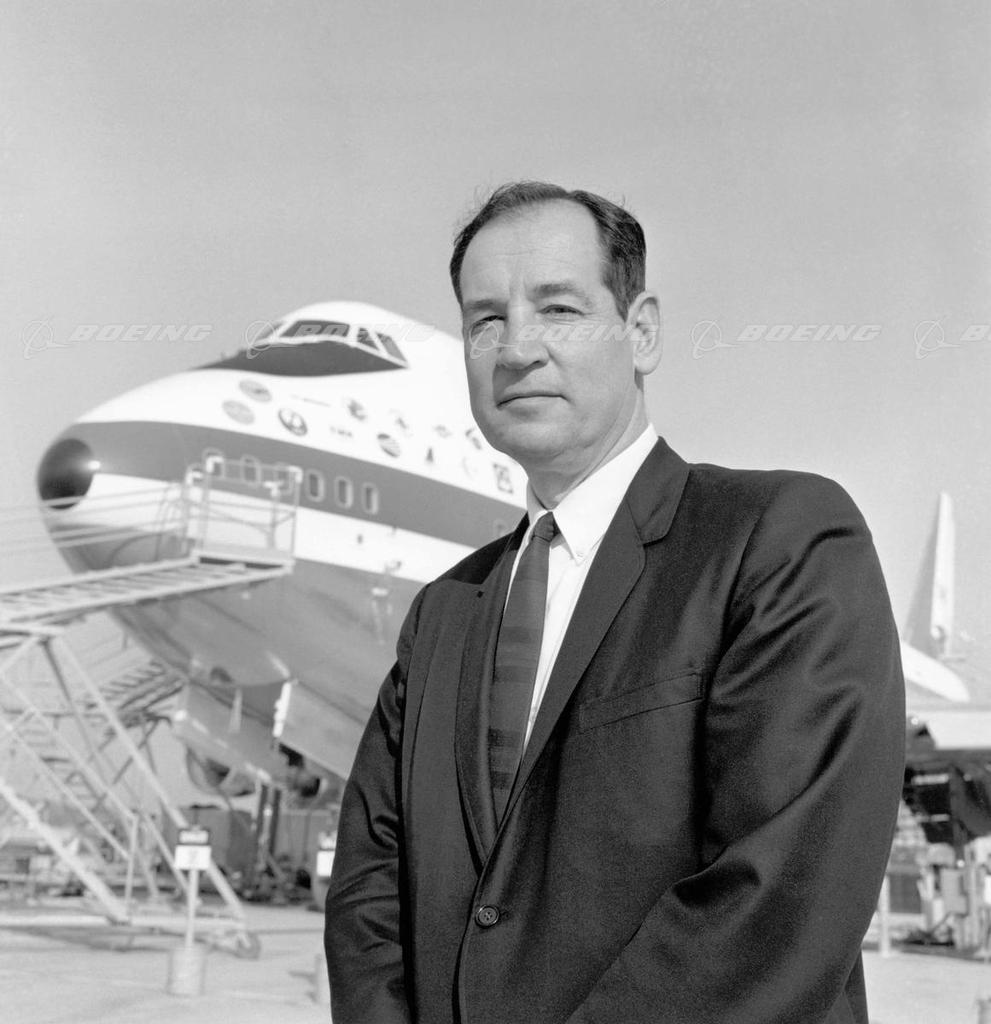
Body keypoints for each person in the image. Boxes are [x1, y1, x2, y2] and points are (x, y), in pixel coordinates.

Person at [325, 181, 905, 1024]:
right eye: (485, 320)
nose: (516, 348)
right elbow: (368, 890)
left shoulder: (777, 537)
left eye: (558, 309)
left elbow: (780, 887)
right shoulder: (443, 612)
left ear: (641, 332)